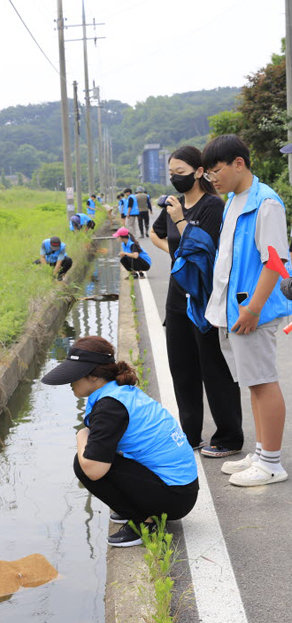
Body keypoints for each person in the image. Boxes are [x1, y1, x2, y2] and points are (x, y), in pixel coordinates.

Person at [41, 336, 198, 547]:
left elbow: (93, 470)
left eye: (74, 376)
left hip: (174, 497)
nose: (70, 382)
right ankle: (138, 509)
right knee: (98, 451)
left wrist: (81, 436)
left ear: (95, 377)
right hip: (181, 488)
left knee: (84, 463)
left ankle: (145, 523)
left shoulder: (109, 407)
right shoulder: (119, 391)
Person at [202, 134, 291, 487]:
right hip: (234, 310)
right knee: (253, 383)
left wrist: (253, 308)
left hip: (252, 310)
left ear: (239, 163)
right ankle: (260, 451)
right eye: (208, 174)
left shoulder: (265, 202)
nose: (212, 179)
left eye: (216, 170)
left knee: (263, 381)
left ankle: (271, 462)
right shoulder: (233, 201)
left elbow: (274, 260)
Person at [150, 145, 243, 457]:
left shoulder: (212, 207)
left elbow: (206, 249)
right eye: (171, 174)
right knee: (182, 368)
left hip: (205, 298)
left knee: (213, 368)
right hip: (177, 297)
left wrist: (180, 222)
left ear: (199, 171)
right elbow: (155, 234)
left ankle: (229, 437)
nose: (175, 179)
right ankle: (189, 434)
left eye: (181, 173)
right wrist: (177, 256)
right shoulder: (174, 204)